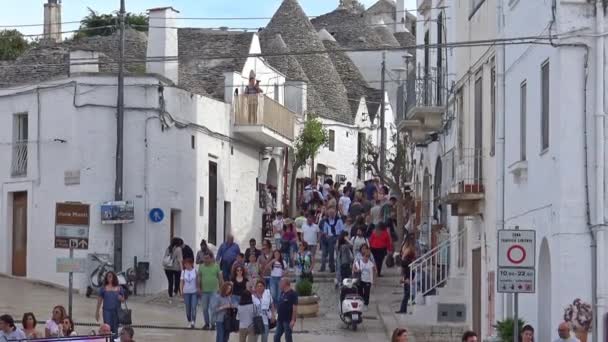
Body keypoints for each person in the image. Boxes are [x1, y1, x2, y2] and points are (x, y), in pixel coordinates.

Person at [95, 271, 125, 337]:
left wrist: (121, 298)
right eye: (108, 276)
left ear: (114, 277)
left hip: (116, 311)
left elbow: (123, 300)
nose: (109, 277)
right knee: (107, 327)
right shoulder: (103, 288)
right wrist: (97, 312)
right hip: (106, 311)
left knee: (115, 328)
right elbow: (99, 300)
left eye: (110, 276)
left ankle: (115, 340)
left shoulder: (119, 288)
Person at [199, 251, 223, 331]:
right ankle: (206, 324)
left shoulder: (216, 266)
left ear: (211, 258)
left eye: (207, 258)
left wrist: (221, 288)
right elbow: (199, 278)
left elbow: (220, 278)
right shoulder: (201, 267)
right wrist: (199, 288)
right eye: (204, 258)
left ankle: (213, 324)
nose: (206, 260)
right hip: (204, 291)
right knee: (205, 308)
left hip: (214, 291)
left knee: (213, 308)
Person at [320, 208, 344, 273]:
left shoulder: (339, 220)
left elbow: (342, 230)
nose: (331, 214)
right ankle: (331, 266)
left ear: (335, 213)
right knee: (330, 251)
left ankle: (335, 266)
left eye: (332, 213)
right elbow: (325, 231)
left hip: (337, 236)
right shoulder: (326, 221)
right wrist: (326, 235)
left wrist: (338, 238)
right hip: (330, 237)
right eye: (330, 213)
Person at [274, 278, 298, 342]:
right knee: (276, 336)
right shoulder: (282, 292)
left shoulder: (293, 294)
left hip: (287, 320)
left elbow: (295, 308)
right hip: (280, 319)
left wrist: (293, 320)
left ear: (284, 284)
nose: (279, 285)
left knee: (288, 337)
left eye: (280, 283)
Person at [396, 238, 416, 314]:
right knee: (407, 294)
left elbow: (403, 266)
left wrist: (403, 256)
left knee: (407, 294)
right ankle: (403, 309)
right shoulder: (409, 256)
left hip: (409, 276)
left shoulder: (407, 257)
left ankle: (403, 309)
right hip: (408, 275)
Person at [181, 258, 199, 328]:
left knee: (193, 307)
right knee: (188, 308)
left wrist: (198, 289)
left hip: (194, 292)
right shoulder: (183, 272)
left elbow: (198, 281)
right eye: (185, 264)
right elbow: (182, 282)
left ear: (191, 264)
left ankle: (193, 322)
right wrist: (181, 290)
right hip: (186, 292)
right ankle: (189, 320)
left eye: (187, 264)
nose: (186, 265)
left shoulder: (195, 271)